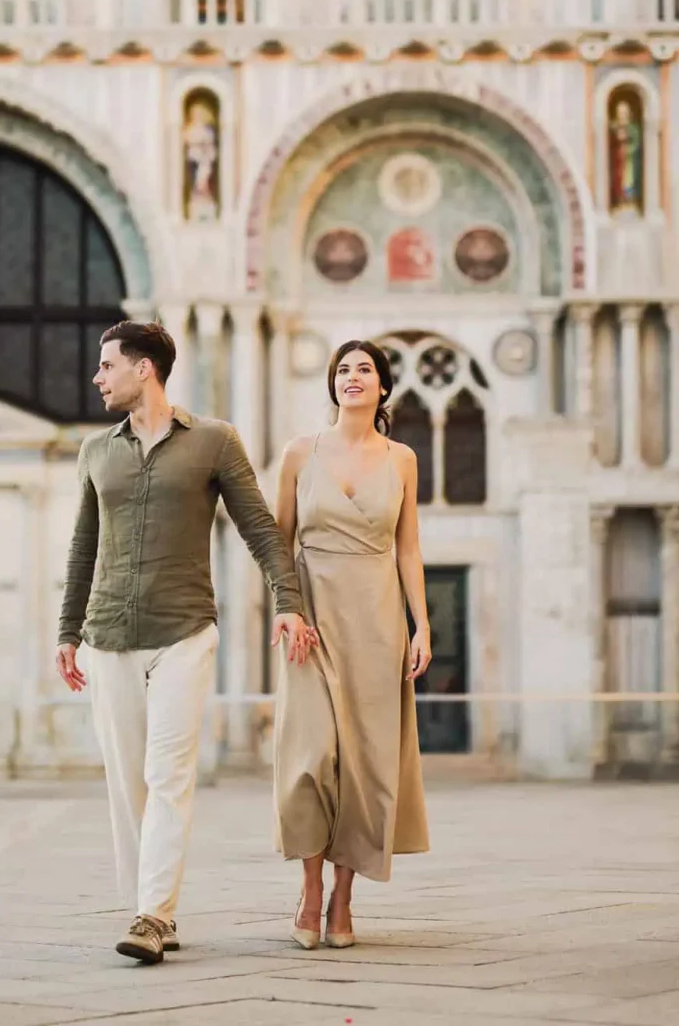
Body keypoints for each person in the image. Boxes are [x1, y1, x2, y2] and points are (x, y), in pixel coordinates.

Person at [56, 321, 314, 966]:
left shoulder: (214, 442)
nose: (97, 377)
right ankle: (148, 905)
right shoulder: (95, 451)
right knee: (127, 783)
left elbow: (259, 527)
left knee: (168, 774)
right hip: (108, 634)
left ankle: (151, 915)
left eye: (107, 365)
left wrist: (288, 603)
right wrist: (66, 631)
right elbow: (83, 546)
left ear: (144, 370)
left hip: (186, 632)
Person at [274, 339, 431, 949]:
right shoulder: (297, 453)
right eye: (343, 370)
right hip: (311, 621)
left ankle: (342, 898)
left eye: (364, 369)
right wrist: (286, 610)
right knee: (311, 757)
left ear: (383, 387)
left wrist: (421, 625)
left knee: (365, 764)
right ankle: (309, 891)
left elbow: (409, 548)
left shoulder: (403, 459)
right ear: (333, 386)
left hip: (377, 618)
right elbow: (277, 544)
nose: (352, 378)